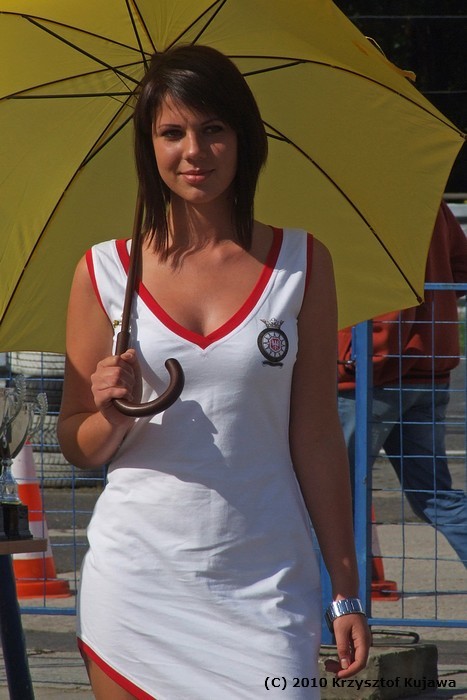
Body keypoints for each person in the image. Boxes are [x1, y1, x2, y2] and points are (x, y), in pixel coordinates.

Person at [58, 45, 370, 699]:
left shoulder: (302, 263)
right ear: (148, 146)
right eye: (172, 132)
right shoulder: (102, 272)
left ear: (244, 138)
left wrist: (345, 589)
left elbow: (317, 437)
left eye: (213, 129)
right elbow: (78, 445)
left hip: (267, 586)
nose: (194, 151)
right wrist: (110, 413)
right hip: (136, 586)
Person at [338, 201, 467, 567]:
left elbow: (388, 292)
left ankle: (334, 599)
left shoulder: (366, 198)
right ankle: (340, 595)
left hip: (370, 375)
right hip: (425, 369)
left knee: (333, 500)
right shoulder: (427, 200)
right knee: (436, 496)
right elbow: (460, 268)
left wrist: (357, 356)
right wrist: (431, 309)